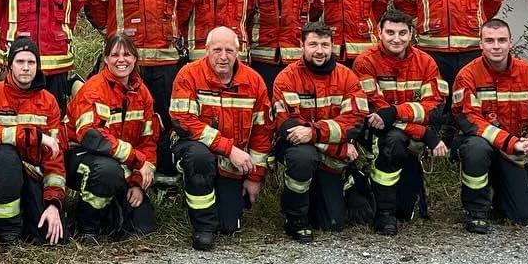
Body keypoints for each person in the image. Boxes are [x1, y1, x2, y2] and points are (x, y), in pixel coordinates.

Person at [86, 0, 185, 176]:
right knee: (123, 116)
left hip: (165, 61)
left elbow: (185, 7)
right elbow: (94, 4)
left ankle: (164, 173)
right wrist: (111, 34)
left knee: (164, 117)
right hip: (125, 64)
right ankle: (123, 168)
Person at [390, 0, 504, 138]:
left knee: (466, 96)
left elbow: (492, 2)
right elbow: (402, 1)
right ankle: (432, 140)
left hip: (471, 50)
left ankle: (462, 139)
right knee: (435, 97)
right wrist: (421, 20)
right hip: (431, 50)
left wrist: (476, 23)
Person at [451, 19, 528, 233]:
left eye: (502, 40)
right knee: (477, 149)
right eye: (490, 40)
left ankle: (517, 185)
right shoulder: (468, 75)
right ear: (481, 44)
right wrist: (511, 143)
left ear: (510, 42)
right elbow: (469, 119)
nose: (496, 46)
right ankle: (477, 211)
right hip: (477, 143)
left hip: (511, 152)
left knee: (521, 216)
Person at [169, 27, 273, 251]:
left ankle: (222, 204)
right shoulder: (189, 75)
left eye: (229, 50)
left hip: (231, 166)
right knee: (199, 156)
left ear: (239, 52)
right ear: (206, 50)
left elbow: (262, 133)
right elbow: (184, 121)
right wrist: (229, 149)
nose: (223, 56)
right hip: (197, 153)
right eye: (217, 50)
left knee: (229, 227)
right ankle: (203, 228)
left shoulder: (254, 82)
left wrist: (255, 177)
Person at [269, 21, 368, 242]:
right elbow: (287, 126)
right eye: (313, 44)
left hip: (329, 149)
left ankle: (347, 186)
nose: (320, 51)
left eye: (325, 44)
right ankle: (295, 219)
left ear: (333, 45)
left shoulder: (347, 77)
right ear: (301, 45)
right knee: (303, 157)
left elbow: (355, 121)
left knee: (332, 223)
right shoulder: (286, 78)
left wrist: (314, 133)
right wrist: (339, 145)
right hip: (302, 148)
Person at [353, 8, 449, 237]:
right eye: (390, 32)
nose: (397, 38)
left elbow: (434, 108)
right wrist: (425, 133)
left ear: (411, 35)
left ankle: (401, 205)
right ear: (379, 34)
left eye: (402, 33)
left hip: (410, 134)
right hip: (380, 136)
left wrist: (395, 112)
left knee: (406, 211)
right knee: (393, 140)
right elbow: (375, 113)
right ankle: (384, 214)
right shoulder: (365, 62)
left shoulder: (426, 62)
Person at [0, 37, 67, 247]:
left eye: (31, 63)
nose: (26, 68)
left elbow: (55, 157)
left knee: (50, 238)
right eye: (20, 62)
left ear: (38, 66)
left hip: (33, 172)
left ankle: (30, 213)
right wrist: (35, 137)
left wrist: (53, 203)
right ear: (9, 65)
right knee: (6, 157)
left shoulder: (49, 101)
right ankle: (7, 232)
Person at [65, 33, 159, 240]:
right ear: (106, 59)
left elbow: (148, 142)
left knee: (143, 227)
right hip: (79, 156)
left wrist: (137, 182)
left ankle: (111, 210)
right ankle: (86, 227)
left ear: (135, 58)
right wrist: (135, 160)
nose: (121, 60)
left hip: (122, 163)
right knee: (107, 172)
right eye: (115, 55)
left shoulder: (143, 94)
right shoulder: (93, 89)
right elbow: (91, 136)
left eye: (127, 54)